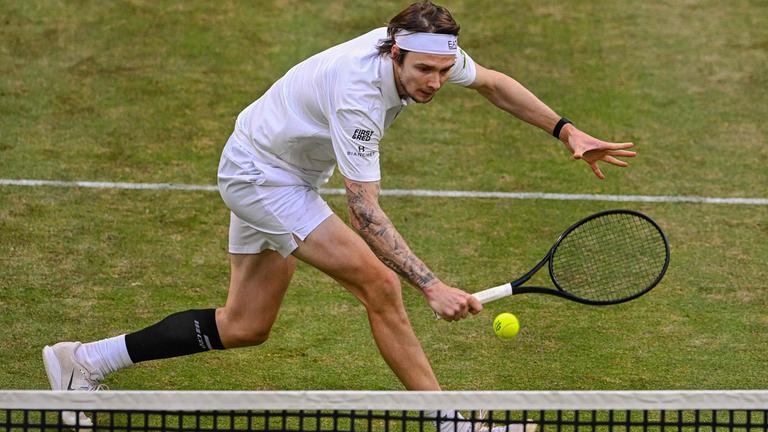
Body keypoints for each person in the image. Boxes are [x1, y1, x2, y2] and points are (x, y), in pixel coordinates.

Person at [43, 1, 634, 430]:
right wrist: (431, 285)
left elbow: (495, 84)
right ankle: (449, 423)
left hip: (275, 163)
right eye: (421, 72)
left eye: (440, 72)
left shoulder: (427, 48)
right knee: (380, 284)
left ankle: (83, 362)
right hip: (262, 175)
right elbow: (364, 212)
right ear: (394, 53)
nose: (433, 83)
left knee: (246, 324)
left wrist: (565, 130)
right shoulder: (358, 96)